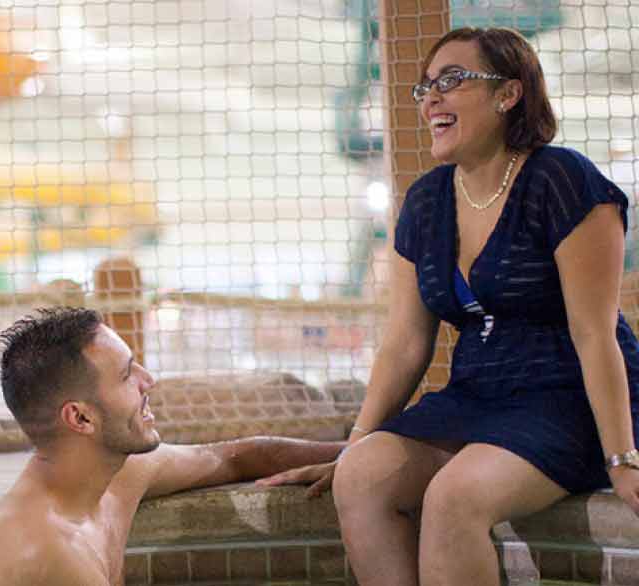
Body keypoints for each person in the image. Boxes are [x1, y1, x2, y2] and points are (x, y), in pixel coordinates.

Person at [262, 27, 639, 586]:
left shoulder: (564, 181)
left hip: (566, 398)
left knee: (453, 497)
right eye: (426, 87)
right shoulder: (427, 200)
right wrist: (357, 442)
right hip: (477, 395)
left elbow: (594, 332)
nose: (431, 97)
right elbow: (406, 342)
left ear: (508, 94)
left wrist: (623, 461)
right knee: (361, 476)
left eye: (452, 80)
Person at [0, 307, 344, 586]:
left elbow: (242, 456)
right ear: (80, 418)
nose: (149, 381)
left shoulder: (119, 473)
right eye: (128, 375)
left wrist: (362, 453)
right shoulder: (51, 553)